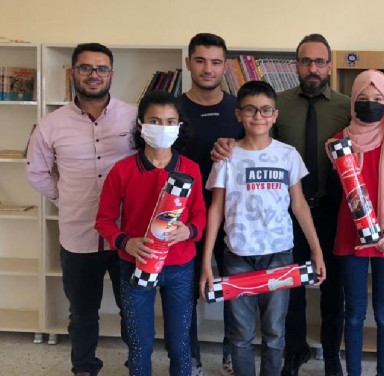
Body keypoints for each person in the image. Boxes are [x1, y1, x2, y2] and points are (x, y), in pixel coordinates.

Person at [213, 33, 351, 376]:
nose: (313, 68)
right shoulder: (279, 104)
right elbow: (254, 144)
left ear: (329, 66)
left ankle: (331, 355)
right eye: (306, 61)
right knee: (291, 294)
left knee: (333, 288)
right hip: (284, 215)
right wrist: (224, 145)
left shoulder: (346, 106)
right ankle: (294, 351)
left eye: (319, 61)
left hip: (331, 210)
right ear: (296, 65)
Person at [201, 80, 327, 376]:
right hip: (237, 256)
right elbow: (215, 209)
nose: (258, 116)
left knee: (274, 333)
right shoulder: (227, 157)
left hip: (279, 256)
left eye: (265, 110)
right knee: (240, 335)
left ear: (275, 115)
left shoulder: (288, 154)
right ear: (238, 114)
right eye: (250, 109)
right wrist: (207, 262)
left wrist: (317, 251)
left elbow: (299, 205)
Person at [26, 42, 134, 376]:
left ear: (111, 74)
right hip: (78, 234)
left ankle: (138, 363)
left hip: (127, 233)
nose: (93, 75)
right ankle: (84, 367)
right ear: (73, 72)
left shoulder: (134, 116)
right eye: (85, 68)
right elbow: (36, 173)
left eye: (101, 68)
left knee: (133, 308)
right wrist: (67, 198)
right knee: (82, 311)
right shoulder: (50, 124)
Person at [95, 90, 207, 376]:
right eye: (155, 121)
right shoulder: (122, 170)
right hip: (136, 265)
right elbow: (104, 220)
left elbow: (200, 216)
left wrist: (188, 231)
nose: (163, 127)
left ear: (179, 126)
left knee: (180, 344)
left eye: (170, 121)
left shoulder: (190, 169)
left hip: (180, 267)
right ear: (140, 125)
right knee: (139, 344)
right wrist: (126, 242)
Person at [326, 70, 384, 376]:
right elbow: (333, 196)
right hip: (349, 235)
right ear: (353, 102)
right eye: (363, 98)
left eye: (378, 98)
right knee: (354, 312)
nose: (370, 104)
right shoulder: (338, 142)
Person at [180, 32, 242, 376]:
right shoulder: (172, 110)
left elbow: (258, 149)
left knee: (232, 287)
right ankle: (190, 359)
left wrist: (234, 149)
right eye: (200, 60)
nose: (208, 69)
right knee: (184, 291)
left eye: (216, 62)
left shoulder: (240, 110)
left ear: (225, 66)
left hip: (232, 215)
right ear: (188, 62)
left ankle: (232, 354)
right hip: (183, 217)